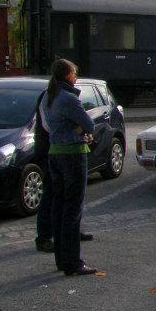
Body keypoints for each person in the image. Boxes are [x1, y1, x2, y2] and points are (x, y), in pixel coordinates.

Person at [43, 59, 98, 276]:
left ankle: (62, 259)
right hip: (72, 154)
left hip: (55, 153)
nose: (75, 77)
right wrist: (79, 130)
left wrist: (76, 129)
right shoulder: (69, 98)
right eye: (74, 74)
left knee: (59, 207)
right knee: (72, 210)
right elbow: (89, 124)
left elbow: (52, 126)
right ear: (68, 76)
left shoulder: (49, 96)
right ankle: (73, 262)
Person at [34, 91, 94, 253]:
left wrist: (83, 134)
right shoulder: (50, 95)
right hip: (50, 148)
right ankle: (44, 238)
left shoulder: (65, 95)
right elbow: (50, 126)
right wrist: (76, 132)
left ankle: (70, 231)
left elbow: (72, 122)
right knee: (51, 194)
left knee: (69, 195)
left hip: (61, 147)